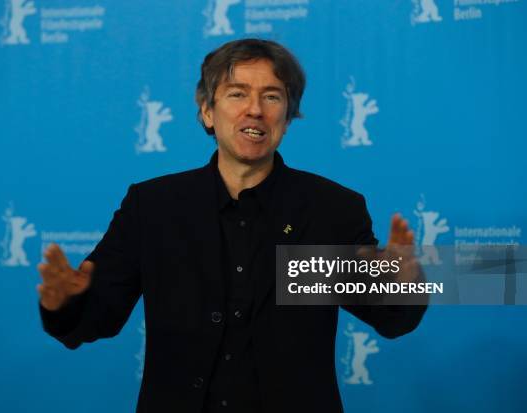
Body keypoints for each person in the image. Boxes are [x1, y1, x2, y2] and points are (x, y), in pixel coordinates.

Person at [37, 39, 426, 413]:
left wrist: (403, 283)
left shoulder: (329, 209)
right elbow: (98, 316)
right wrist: (67, 302)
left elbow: (390, 317)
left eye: (272, 96)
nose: (255, 109)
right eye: (237, 94)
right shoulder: (153, 207)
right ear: (208, 110)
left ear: (287, 119)